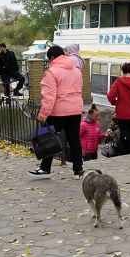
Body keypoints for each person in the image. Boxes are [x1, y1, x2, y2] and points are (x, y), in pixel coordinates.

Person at [29, 45, 84, 179]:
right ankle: (78, 171)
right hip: (76, 110)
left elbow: (49, 97)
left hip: (58, 112)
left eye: (49, 60)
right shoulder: (76, 70)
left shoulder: (52, 72)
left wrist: (43, 115)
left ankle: (44, 169)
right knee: (74, 139)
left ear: (52, 58)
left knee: (47, 138)